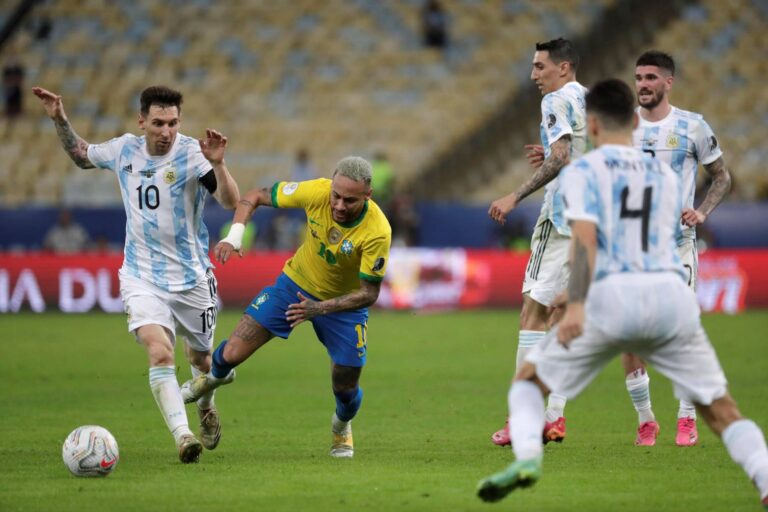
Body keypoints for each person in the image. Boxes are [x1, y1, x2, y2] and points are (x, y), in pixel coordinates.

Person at [476, 79, 768, 509]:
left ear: (590, 126)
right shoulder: (665, 177)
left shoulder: (581, 175)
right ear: (634, 121)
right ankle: (763, 479)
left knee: (526, 385)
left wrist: (573, 305)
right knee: (722, 410)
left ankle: (528, 459)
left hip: (611, 302)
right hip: (670, 298)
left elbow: (585, 241)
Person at [33, 85, 240, 463]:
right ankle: (182, 437)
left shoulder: (194, 153)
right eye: (159, 123)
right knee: (160, 352)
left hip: (192, 277)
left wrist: (221, 164)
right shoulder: (124, 149)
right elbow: (81, 155)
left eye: (174, 123)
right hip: (141, 275)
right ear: (142, 121)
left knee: (204, 362)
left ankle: (206, 402)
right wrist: (60, 119)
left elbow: (229, 201)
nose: (166, 131)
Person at [180, 156, 391, 459]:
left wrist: (319, 308)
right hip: (294, 284)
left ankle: (341, 425)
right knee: (232, 353)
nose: (340, 205)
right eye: (336, 196)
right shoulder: (316, 192)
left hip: (342, 306)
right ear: (330, 186)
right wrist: (235, 235)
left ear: (368, 196)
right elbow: (255, 196)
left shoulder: (378, 231)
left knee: (345, 384)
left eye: (350, 200)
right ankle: (213, 377)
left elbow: (369, 292)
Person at [623, 50, 733, 447]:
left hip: (677, 246)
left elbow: (722, 177)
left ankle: (687, 418)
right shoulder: (623, 126)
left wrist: (702, 211)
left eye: (651, 77)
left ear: (668, 82)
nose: (643, 85)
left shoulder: (692, 126)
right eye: (638, 77)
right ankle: (646, 419)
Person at [487, 38, 587, 446]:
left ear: (562, 68)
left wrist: (514, 195)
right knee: (563, 314)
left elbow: (562, 157)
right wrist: (549, 150)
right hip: (593, 222)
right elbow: (576, 151)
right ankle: (554, 416)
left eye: (540, 67)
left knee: (532, 312)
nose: (533, 76)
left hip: (561, 219)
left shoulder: (555, 101)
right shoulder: (591, 99)